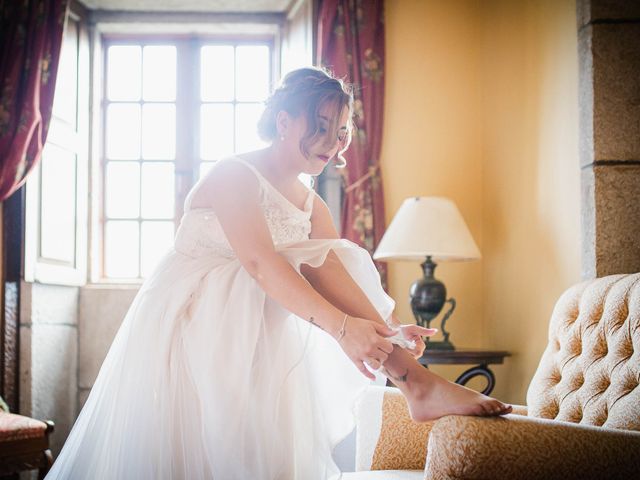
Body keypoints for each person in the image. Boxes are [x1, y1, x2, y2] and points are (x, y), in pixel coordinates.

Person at [46, 66, 511, 480]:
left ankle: (414, 380)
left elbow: (332, 274)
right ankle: (418, 383)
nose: (333, 141)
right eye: (322, 125)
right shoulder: (235, 174)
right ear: (284, 120)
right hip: (196, 332)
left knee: (331, 256)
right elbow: (259, 263)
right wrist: (344, 329)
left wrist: (383, 332)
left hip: (260, 337)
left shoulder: (312, 203)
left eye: (343, 130)